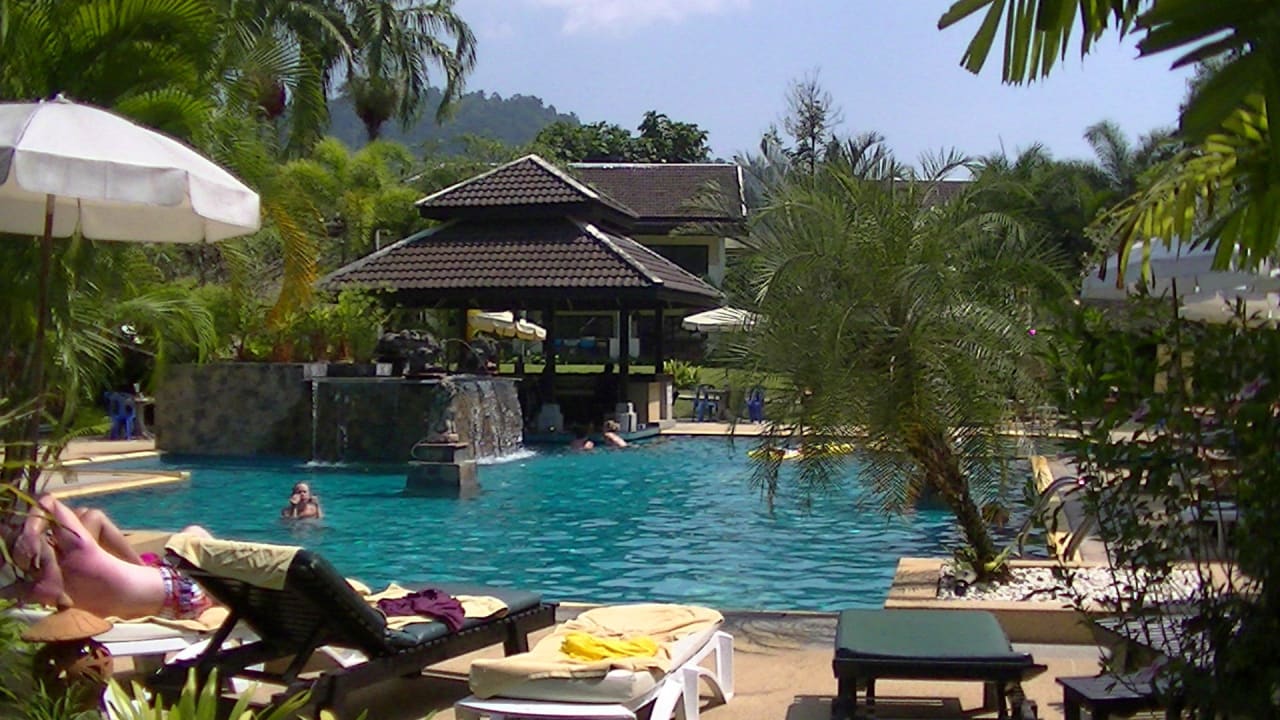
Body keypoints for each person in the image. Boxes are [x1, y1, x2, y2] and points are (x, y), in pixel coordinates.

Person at [0, 494, 214, 620]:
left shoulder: (43, 590)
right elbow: (50, 502)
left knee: (190, 535)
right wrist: (31, 532)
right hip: (186, 591)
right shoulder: (79, 552)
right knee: (195, 532)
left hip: (173, 603)